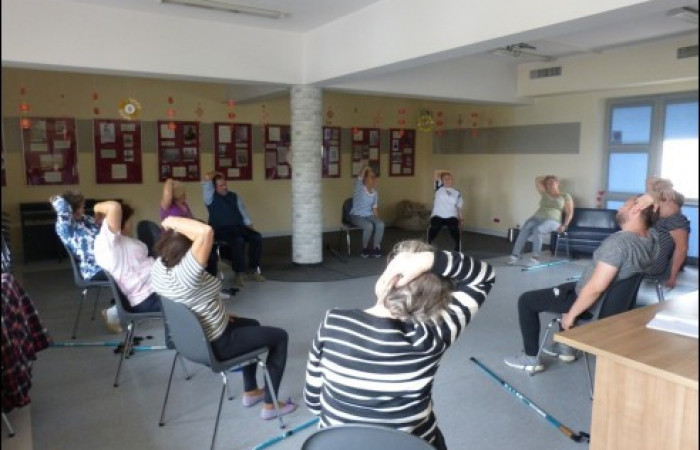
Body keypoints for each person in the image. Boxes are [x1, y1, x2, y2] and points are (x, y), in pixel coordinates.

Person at [304, 240, 496, 449]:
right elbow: (484, 277)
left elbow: (313, 401)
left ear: (386, 280)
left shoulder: (334, 322)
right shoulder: (434, 335)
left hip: (338, 444)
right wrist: (429, 261)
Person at [151, 216, 296, 420]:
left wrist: (221, 314)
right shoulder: (186, 274)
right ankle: (271, 405)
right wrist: (170, 219)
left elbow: (192, 303)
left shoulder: (160, 267)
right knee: (280, 337)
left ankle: (251, 391)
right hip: (216, 343)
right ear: (190, 251)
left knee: (252, 324)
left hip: (194, 339)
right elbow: (205, 232)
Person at [504, 196, 659, 373]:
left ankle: (530, 358)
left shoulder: (618, 244)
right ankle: (565, 348)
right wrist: (654, 198)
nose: (619, 208)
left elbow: (596, 288)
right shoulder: (652, 238)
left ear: (636, 210)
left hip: (592, 303)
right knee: (564, 287)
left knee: (526, 301)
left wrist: (571, 315)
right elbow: (663, 208)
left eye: (625, 205)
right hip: (608, 300)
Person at [50, 192, 118, 332]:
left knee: (138, 269)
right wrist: (60, 201)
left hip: (108, 261)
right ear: (72, 208)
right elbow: (60, 204)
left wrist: (102, 221)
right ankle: (115, 311)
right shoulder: (65, 226)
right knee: (129, 274)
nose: (83, 209)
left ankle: (118, 307)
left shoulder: (85, 219)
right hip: (93, 269)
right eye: (81, 206)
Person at [93, 201, 162, 332]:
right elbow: (114, 207)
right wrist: (96, 208)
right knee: (191, 302)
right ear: (120, 222)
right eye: (129, 221)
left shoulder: (125, 241)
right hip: (148, 297)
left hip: (158, 287)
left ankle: (113, 312)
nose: (131, 224)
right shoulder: (107, 244)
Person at [202, 171, 265, 287]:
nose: (224, 187)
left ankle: (253, 270)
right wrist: (217, 173)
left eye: (225, 184)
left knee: (256, 237)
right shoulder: (210, 198)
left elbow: (243, 212)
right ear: (214, 187)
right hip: (221, 230)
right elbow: (206, 178)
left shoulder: (234, 196)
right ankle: (239, 273)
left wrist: (249, 225)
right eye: (221, 185)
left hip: (238, 227)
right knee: (238, 240)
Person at [509, 175, 574, 265]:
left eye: (552, 182)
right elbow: (537, 179)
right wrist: (548, 178)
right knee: (525, 228)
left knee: (538, 229)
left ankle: (535, 258)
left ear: (557, 183)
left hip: (553, 220)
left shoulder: (565, 196)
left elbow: (569, 213)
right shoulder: (544, 193)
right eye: (547, 183)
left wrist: (564, 225)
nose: (550, 184)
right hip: (536, 217)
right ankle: (515, 255)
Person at [644, 177, 690, 289]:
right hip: (646, 259)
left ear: (669, 200)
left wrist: (673, 277)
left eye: (659, 203)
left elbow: (682, 249)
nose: (656, 207)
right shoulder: (665, 218)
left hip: (652, 265)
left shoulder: (676, 220)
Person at [349, 165, 385, 258]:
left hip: (369, 215)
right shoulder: (360, 188)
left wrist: (377, 221)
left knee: (380, 224)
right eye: (371, 177)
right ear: (365, 179)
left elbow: (374, 209)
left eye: (374, 177)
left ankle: (376, 247)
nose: (374, 179)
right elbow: (360, 176)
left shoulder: (375, 193)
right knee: (368, 226)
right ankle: (365, 249)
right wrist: (366, 167)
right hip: (356, 215)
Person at [428, 169, 463, 251]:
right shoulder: (438, 188)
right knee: (435, 227)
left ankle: (457, 247)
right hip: (438, 215)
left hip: (452, 215)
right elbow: (436, 172)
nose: (448, 180)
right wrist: (448, 172)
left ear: (453, 180)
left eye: (450, 178)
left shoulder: (457, 193)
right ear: (442, 181)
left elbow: (458, 206)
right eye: (445, 179)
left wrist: (460, 216)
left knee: (454, 229)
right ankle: (428, 243)